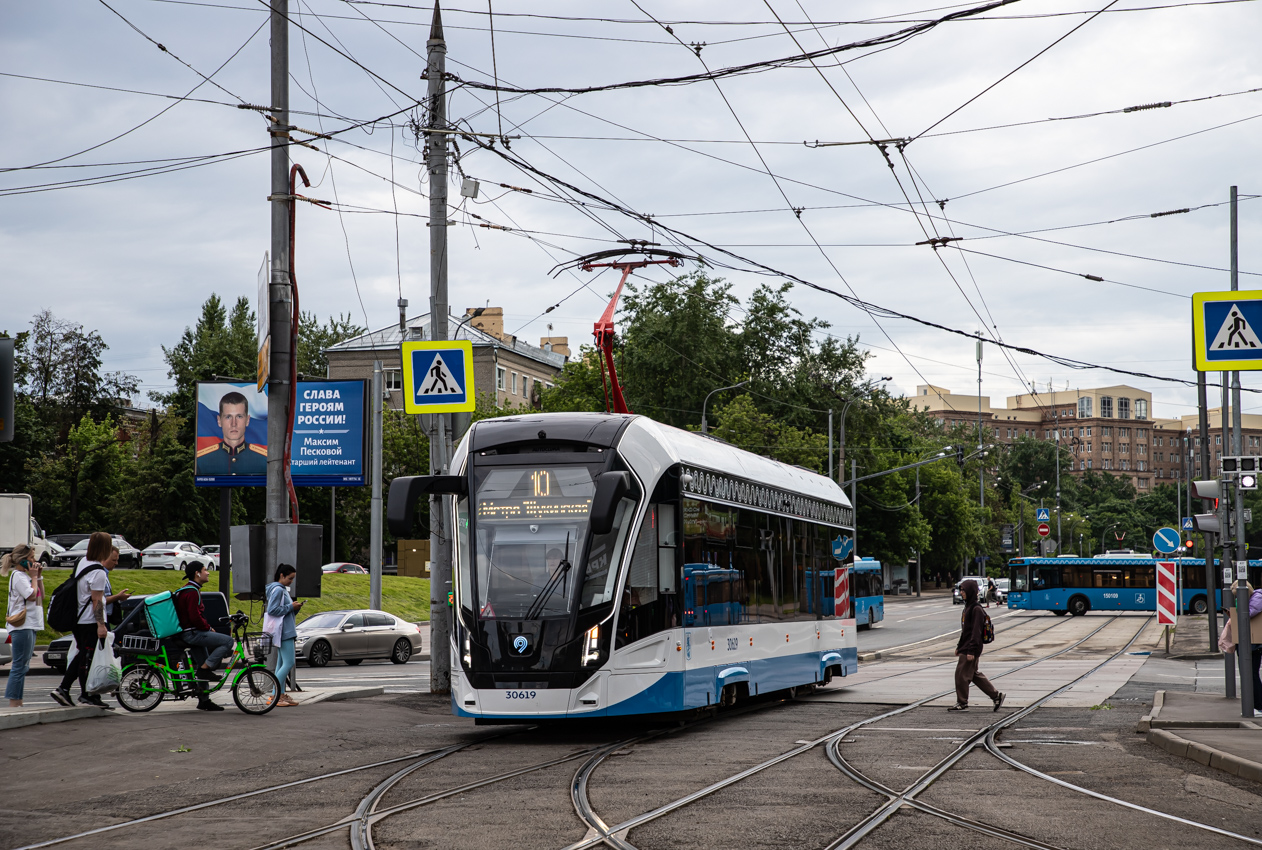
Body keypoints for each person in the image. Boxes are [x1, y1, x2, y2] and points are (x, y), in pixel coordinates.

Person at [50, 534, 131, 709]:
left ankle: (84, 693)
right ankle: (70, 690)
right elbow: (97, 601)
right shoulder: (98, 572)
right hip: (90, 621)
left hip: (78, 619)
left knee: (84, 656)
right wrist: (101, 625)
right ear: (105, 547)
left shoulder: (83, 562)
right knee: (86, 657)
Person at [174, 562, 231, 712]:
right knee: (228, 641)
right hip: (193, 633)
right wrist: (208, 628)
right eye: (205, 570)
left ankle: (204, 700)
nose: (208, 572)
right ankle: (205, 669)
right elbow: (195, 617)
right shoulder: (192, 592)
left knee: (202, 662)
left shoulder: (186, 590)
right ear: (197, 573)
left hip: (188, 633)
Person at [950, 579, 1005, 712]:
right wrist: (959, 646)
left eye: (963, 590)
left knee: (961, 675)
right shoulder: (968, 607)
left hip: (971, 647)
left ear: (970, 591)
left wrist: (971, 651)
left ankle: (962, 702)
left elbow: (976, 632)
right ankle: (996, 696)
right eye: (961, 590)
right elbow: (965, 631)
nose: (961, 593)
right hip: (966, 646)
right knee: (973, 675)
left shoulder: (976, 609)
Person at [4, 544, 43, 708]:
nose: (34, 561)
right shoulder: (18, 576)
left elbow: (40, 596)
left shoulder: (25, 577)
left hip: (30, 624)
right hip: (22, 626)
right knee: (19, 666)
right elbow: (31, 596)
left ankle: (18, 701)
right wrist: (33, 578)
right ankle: (14, 702)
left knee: (24, 666)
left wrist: (38, 577)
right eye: (31, 558)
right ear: (23, 560)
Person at [196, 390, 267, 474]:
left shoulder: (264, 461)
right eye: (228, 417)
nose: (234, 424)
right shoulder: (201, 461)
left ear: (247, 420)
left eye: (239, 416)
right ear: (219, 421)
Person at [265, 564, 304, 707]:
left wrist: (294, 608)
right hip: (285, 631)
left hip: (284, 630)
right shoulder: (278, 590)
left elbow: (284, 611)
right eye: (290, 578)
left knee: (281, 664)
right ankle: (274, 695)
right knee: (289, 663)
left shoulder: (280, 589)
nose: (291, 581)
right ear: (281, 575)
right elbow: (272, 610)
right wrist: (290, 607)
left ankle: (280, 695)